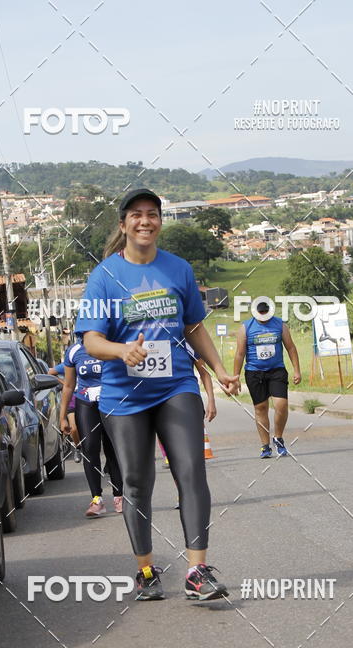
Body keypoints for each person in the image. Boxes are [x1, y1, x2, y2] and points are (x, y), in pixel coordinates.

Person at [75, 187, 239, 602]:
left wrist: (219, 370)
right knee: (135, 482)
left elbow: (194, 327)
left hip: (175, 386)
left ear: (160, 222)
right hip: (123, 394)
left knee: (191, 471)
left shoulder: (178, 269)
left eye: (152, 214)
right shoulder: (104, 276)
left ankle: (197, 571)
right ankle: (146, 571)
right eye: (136, 214)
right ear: (123, 224)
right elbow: (91, 340)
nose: (145, 221)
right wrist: (120, 349)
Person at [59, 335, 124, 516]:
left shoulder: (111, 345)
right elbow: (68, 385)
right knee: (90, 448)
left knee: (112, 448)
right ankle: (97, 499)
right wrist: (62, 416)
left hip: (111, 401)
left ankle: (119, 496)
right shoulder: (73, 351)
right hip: (86, 403)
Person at [233, 300, 301, 458]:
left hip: (276, 370)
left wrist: (296, 370)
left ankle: (278, 438)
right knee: (261, 408)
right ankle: (265, 446)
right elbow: (239, 354)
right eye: (261, 314)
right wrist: (235, 378)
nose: (264, 317)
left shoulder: (280, 325)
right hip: (254, 372)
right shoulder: (245, 328)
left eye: (266, 313)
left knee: (281, 405)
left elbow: (290, 347)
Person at [49, 358, 81, 462]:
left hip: (89, 398)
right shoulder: (69, 364)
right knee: (74, 428)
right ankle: (78, 448)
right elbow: (50, 373)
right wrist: (64, 383)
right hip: (72, 399)